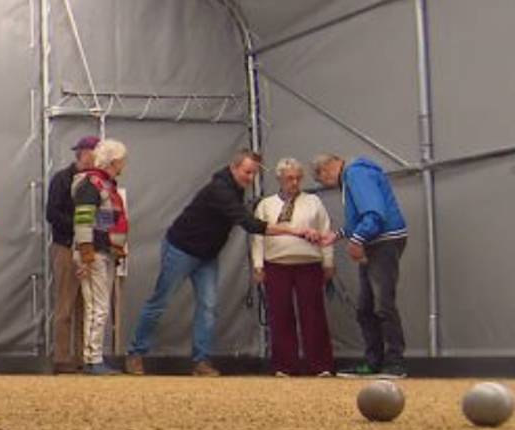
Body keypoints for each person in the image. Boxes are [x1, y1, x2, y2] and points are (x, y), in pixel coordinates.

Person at [125, 149, 320, 376]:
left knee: (208, 307)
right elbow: (249, 224)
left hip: (207, 254)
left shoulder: (236, 189)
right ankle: (135, 353)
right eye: (247, 172)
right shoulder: (220, 190)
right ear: (233, 168)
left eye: (254, 174)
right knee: (160, 301)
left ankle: (201, 361)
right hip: (181, 249)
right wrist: (291, 229)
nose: (250, 178)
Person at [312, 153, 408, 379]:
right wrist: (336, 235)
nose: (325, 184)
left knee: (383, 304)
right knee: (365, 307)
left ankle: (395, 362)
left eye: (321, 180)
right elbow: (360, 218)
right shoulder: (352, 177)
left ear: (325, 170)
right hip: (378, 240)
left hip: (383, 241)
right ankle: (374, 362)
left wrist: (357, 240)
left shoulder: (355, 174)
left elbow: (374, 213)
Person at [251, 158, 334, 377]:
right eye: (289, 178)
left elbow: (325, 231)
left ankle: (321, 365)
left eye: (298, 178)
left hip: (309, 264)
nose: (294, 182)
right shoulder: (266, 205)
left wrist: (328, 262)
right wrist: (258, 265)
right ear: (279, 179)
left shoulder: (314, 201)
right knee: (280, 315)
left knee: (314, 315)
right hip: (276, 264)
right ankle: (284, 366)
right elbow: (257, 237)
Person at [71, 138, 129, 375]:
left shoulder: (103, 185)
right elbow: (84, 219)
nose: (124, 164)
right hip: (92, 253)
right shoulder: (92, 185)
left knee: (98, 305)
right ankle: (92, 358)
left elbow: (103, 221)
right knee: (97, 306)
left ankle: (94, 357)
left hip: (100, 250)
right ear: (114, 161)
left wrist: (113, 245)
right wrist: (86, 252)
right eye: (122, 160)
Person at [45, 136, 98, 373]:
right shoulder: (61, 180)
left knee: (85, 304)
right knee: (66, 303)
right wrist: (79, 227)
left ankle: (82, 357)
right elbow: (52, 214)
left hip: (87, 247)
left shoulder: (96, 182)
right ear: (84, 154)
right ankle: (62, 357)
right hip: (66, 246)